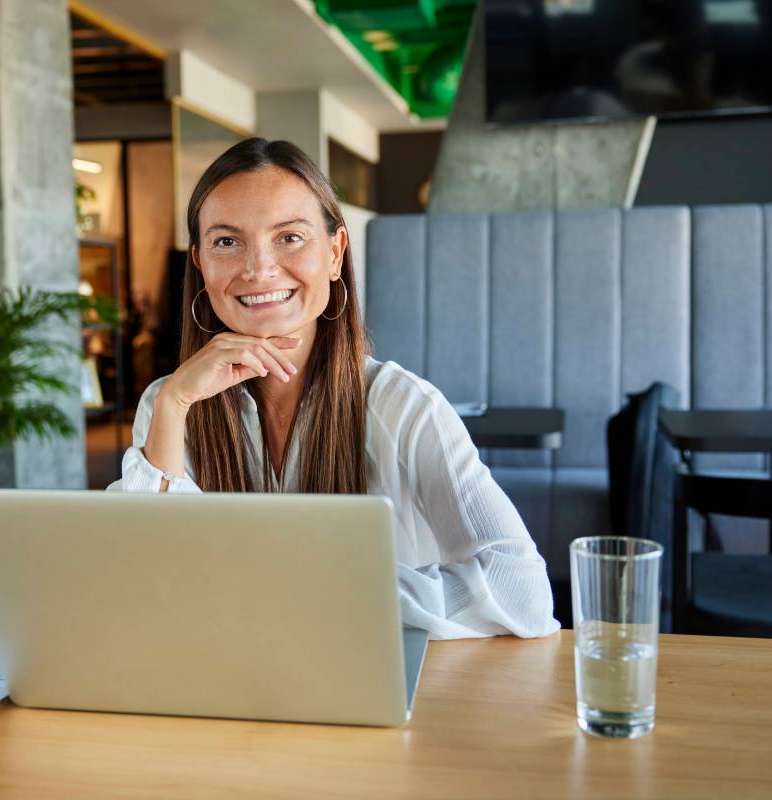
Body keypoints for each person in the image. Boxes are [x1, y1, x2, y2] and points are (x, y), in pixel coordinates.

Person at [108, 137, 559, 640]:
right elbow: (148, 582)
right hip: (227, 689)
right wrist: (174, 402)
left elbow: (523, 592)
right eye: (227, 241)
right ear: (200, 264)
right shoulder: (170, 404)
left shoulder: (403, 407)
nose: (258, 269)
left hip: (373, 691)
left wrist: (318, 593)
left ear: (335, 252)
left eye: (290, 237)